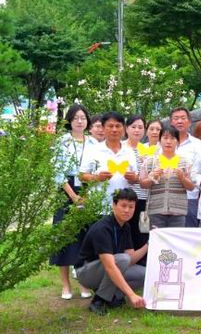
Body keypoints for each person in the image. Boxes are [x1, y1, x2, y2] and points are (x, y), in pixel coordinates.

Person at [75, 188, 148, 315]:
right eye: (123, 206)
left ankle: (114, 297)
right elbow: (110, 266)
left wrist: (148, 244)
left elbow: (131, 259)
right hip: (86, 272)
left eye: (131, 207)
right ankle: (99, 300)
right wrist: (131, 295)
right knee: (122, 259)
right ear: (114, 205)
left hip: (106, 268)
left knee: (144, 274)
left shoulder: (125, 226)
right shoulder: (102, 228)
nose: (127, 210)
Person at [52, 104, 97, 300]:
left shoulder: (93, 143)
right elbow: (57, 172)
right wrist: (73, 196)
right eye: (76, 118)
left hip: (87, 189)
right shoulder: (62, 141)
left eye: (83, 117)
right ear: (69, 120)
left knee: (84, 238)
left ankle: (84, 283)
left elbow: (96, 169)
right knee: (64, 237)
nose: (80, 121)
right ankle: (65, 285)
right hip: (66, 190)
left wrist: (86, 194)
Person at [80, 111, 139, 209]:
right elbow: (81, 176)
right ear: (103, 128)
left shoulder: (129, 152)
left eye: (118, 126)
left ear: (123, 129)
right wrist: (97, 177)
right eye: (110, 126)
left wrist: (133, 178)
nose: (114, 129)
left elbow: (135, 178)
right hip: (98, 206)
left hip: (123, 208)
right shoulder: (92, 150)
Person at [140, 125, 195, 228]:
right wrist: (152, 177)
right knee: (157, 237)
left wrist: (182, 178)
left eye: (172, 138)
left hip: (178, 212)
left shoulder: (185, 162)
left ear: (178, 142)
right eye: (165, 138)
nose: (168, 142)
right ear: (159, 141)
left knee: (176, 238)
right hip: (156, 210)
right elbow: (142, 184)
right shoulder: (150, 161)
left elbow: (191, 187)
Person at [170, 107, 201, 227]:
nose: (179, 121)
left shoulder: (199, 145)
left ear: (189, 122)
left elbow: (200, 172)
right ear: (171, 122)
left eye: (183, 118)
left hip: (189, 197)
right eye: (176, 118)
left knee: (189, 233)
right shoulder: (162, 143)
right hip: (167, 197)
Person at [123, 115, 149, 251]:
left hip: (142, 198)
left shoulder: (147, 150)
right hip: (124, 198)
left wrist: (138, 177)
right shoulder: (120, 147)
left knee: (141, 234)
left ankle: (140, 262)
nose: (137, 130)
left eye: (140, 127)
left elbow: (151, 176)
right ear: (126, 128)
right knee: (123, 233)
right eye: (133, 127)